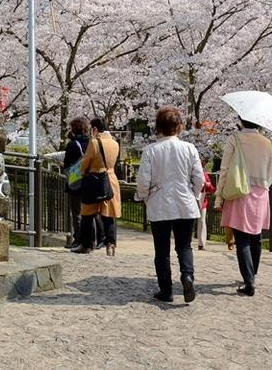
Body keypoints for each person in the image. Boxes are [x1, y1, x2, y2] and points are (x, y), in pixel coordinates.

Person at [136, 107, 204, 303]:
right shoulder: (189, 148)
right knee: (184, 246)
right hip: (185, 202)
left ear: (158, 128)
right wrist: (194, 194)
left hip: (159, 202)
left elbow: (143, 181)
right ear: (180, 127)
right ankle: (187, 276)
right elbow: (198, 177)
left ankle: (166, 290)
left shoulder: (150, 150)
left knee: (162, 249)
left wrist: (143, 196)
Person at [215, 118, 272, 296]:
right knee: (255, 237)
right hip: (261, 192)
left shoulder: (234, 139)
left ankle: (249, 281)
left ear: (241, 120)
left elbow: (225, 169)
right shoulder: (267, 143)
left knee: (242, 238)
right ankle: (253, 274)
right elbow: (269, 170)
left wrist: (219, 195)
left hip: (239, 191)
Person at [44, 117, 98, 248]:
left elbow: (67, 164)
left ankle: (79, 239)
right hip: (92, 181)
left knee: (77, 213)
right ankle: (92, 240)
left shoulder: (73, 145)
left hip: (76, 182)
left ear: (74, 129)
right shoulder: (94, 142)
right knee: (91, 212)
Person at [74, 118, 121, 255]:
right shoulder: (114, 143)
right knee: (108, 214)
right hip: (110, 180)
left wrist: (81, 173)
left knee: (87, 214)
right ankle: (111, 243)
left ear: (95, 129)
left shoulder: (94, 142)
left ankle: (86, 244)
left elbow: (86, 162)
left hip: (94, 179)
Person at [198, 163, 215, 250]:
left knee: (202, 220)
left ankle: (201, 243)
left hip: (202, 199)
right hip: (191, 199)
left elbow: (211, 189)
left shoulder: (204, 174)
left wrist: (208, 184)